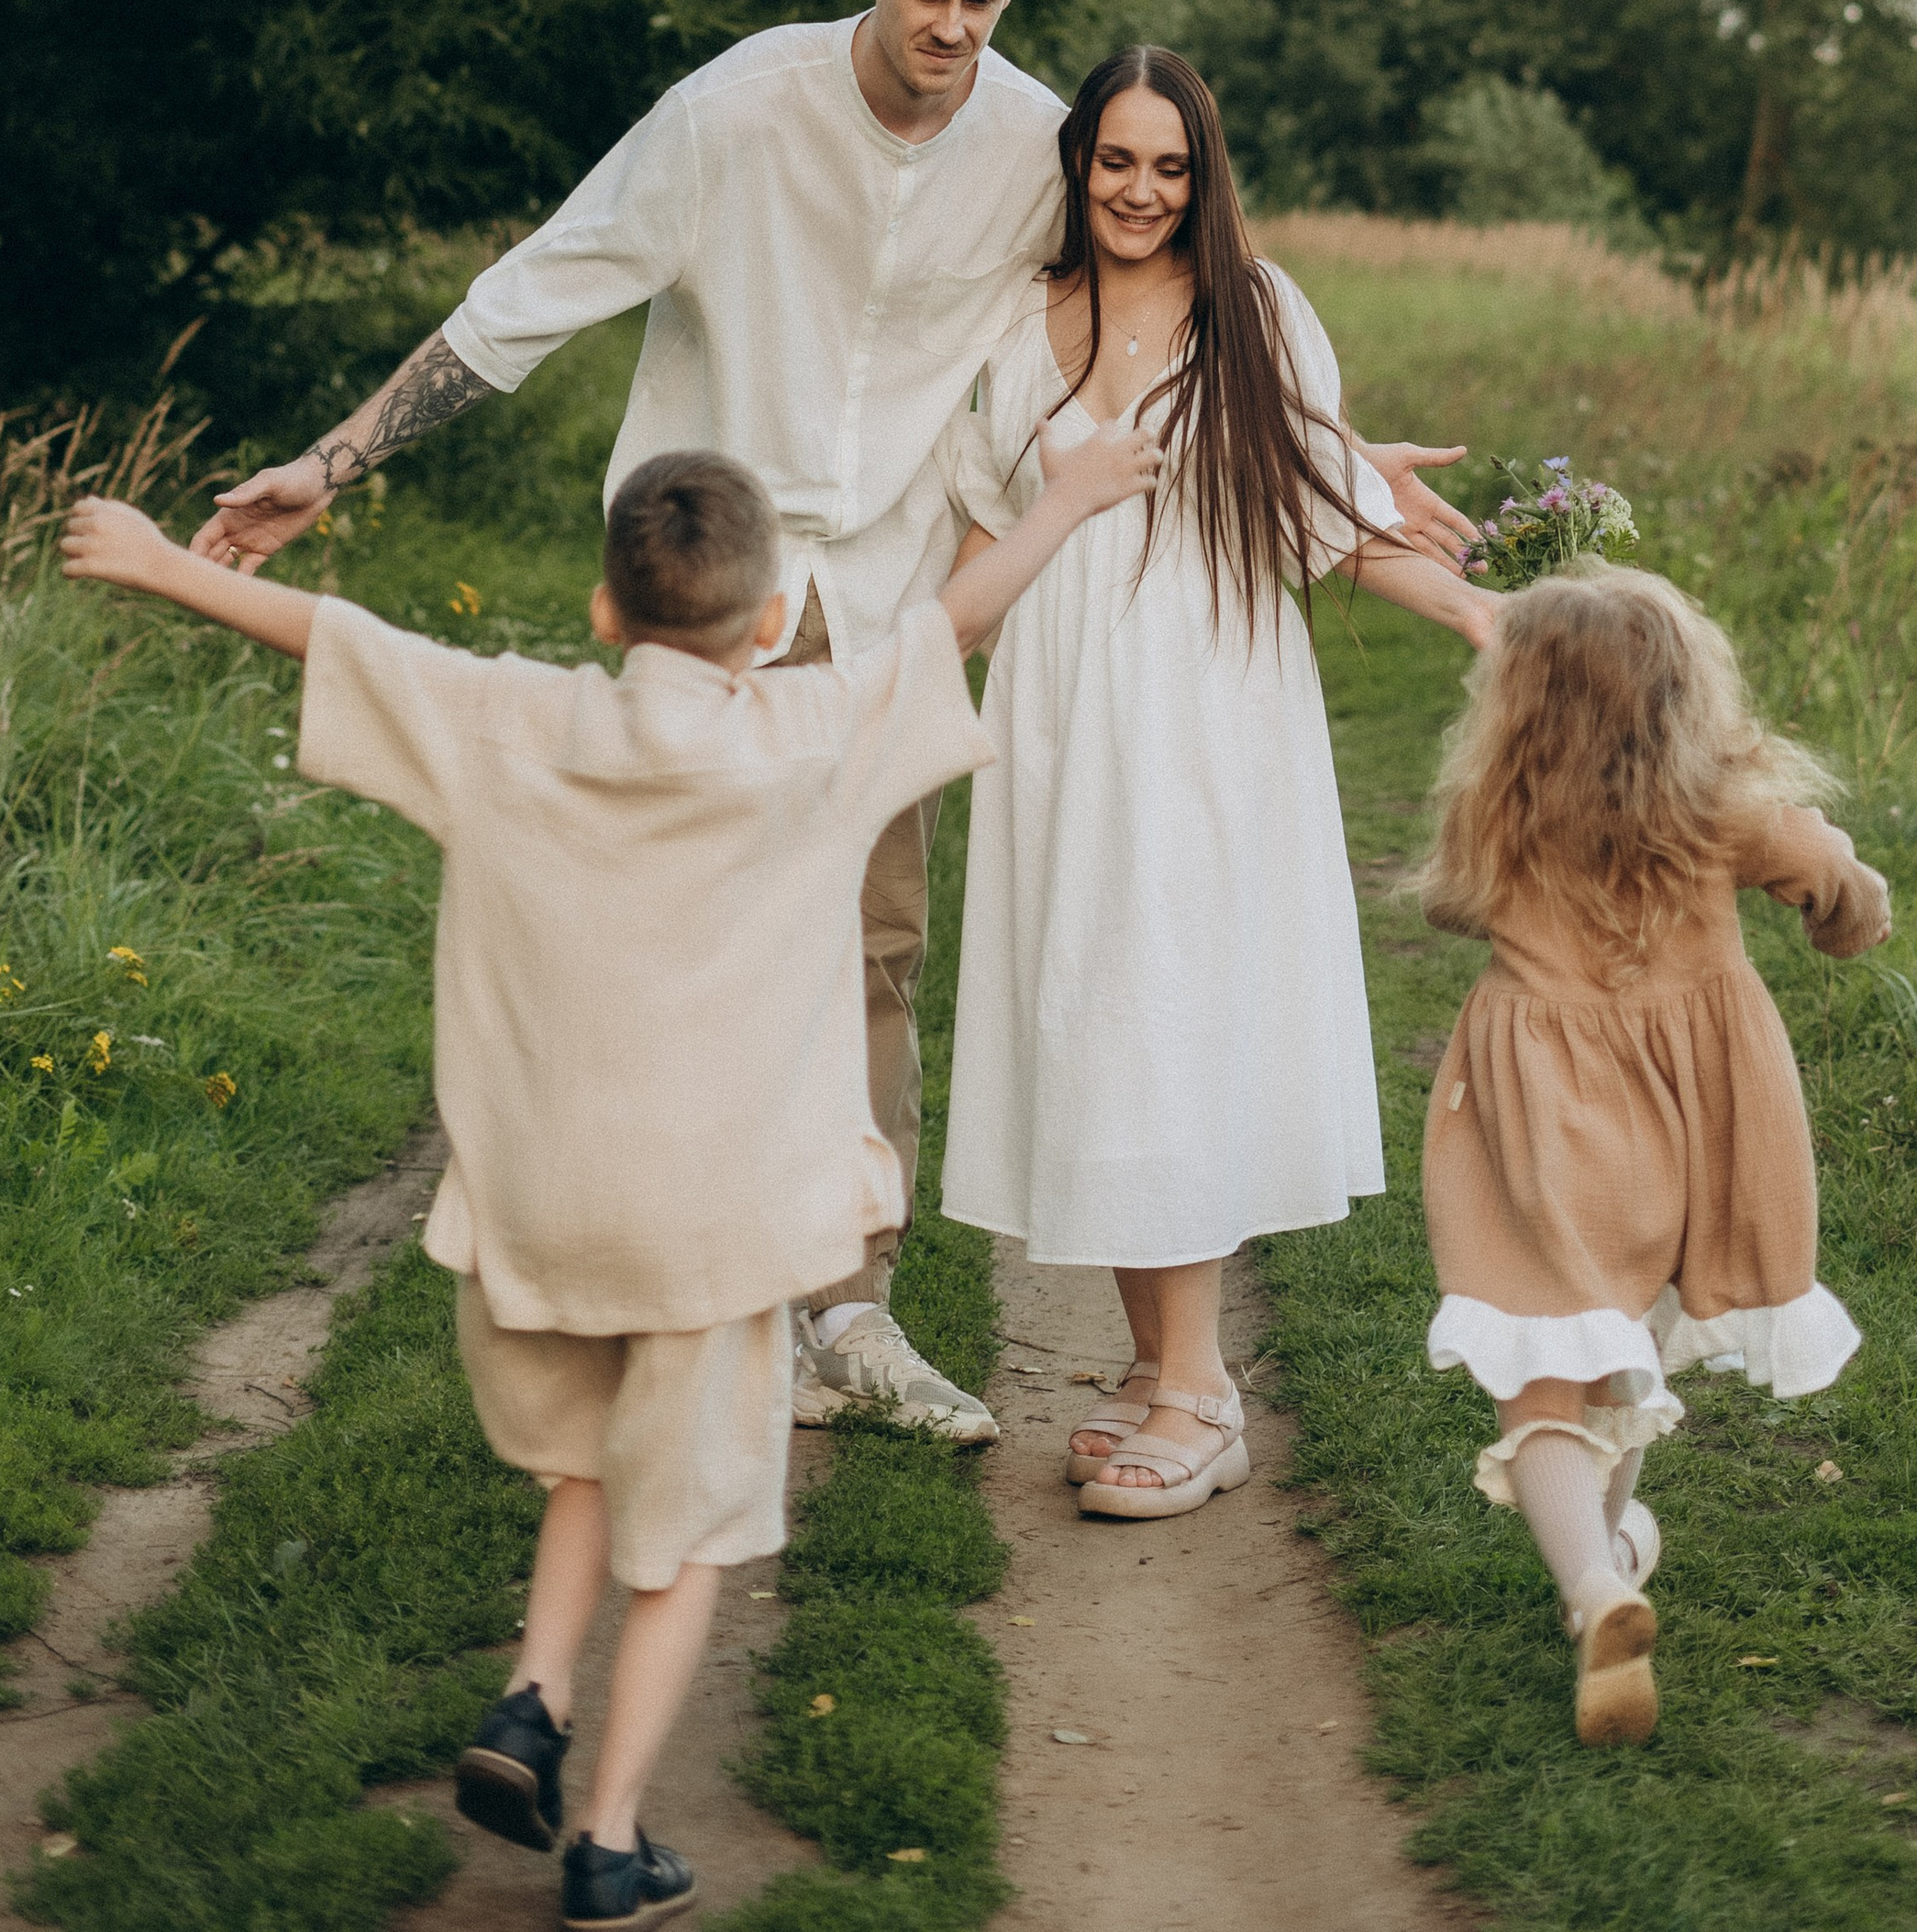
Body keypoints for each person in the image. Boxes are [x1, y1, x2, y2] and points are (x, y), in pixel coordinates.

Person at [193, 0, 1477, 1441]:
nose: (949, 27)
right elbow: (532, 298)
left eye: (983, 4)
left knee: (875, 955)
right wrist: (327, 463)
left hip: (894, 604)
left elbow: (1153, 325)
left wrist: (1335, 460)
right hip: (715, 597)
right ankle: (652, 1274)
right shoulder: (730, 115)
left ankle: (846, 1316)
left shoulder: (1032, 148)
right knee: (674, 938)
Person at [61, 416, 1159, 1927]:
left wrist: (151, 565)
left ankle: (527, 1701)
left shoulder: (513, 722)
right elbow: (950, 622)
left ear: (600, 611)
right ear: (771, 622)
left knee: (584, 1469)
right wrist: (1079, 494)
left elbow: (336, 636)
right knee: (690, 1538)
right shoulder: (814, 731)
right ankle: (612, 1840)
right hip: (719, 1229)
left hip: (543, 1214)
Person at [936, 47, 1495, 1522]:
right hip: (1058, 703)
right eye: (1116, 161)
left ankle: (1201, 1391)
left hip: (1202, 699)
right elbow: (965, 515)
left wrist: (1494, 621)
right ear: (1078, 165)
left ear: (1204, 177)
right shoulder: (1011, 315)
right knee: (1089, 1004)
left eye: (1169, 167)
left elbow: (1321, 503)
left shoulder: (1256, 309)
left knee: (1163, 1005)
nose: (1140, 191)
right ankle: (1147, 1361)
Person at [1415, 565, 1889, 1746]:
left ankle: (1598, 1588)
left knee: (1550, 1350)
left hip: (1544, 1114)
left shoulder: (1503, 811)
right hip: (1693, 1116)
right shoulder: (1727, 815)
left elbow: (1452, 907)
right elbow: (1839, 892)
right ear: (1689, 698)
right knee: (1618, 1344)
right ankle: (1613, 1557)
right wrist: (1844, 908)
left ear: (1516, 705)